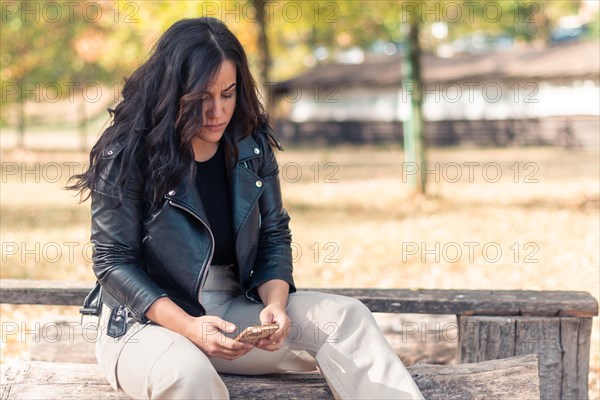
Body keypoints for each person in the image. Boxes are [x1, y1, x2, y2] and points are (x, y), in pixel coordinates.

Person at [67, 17, 424, 400]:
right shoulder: (125, 153)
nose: (217, 111)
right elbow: (113, 262)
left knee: (347, 318)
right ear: (173, 91)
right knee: (189, 374)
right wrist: (188, 327)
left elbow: (274, 234)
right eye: (202, 97)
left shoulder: (250, 148)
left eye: (228, 93)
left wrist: (275, 305)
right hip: (145, 323)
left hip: (230, 309)